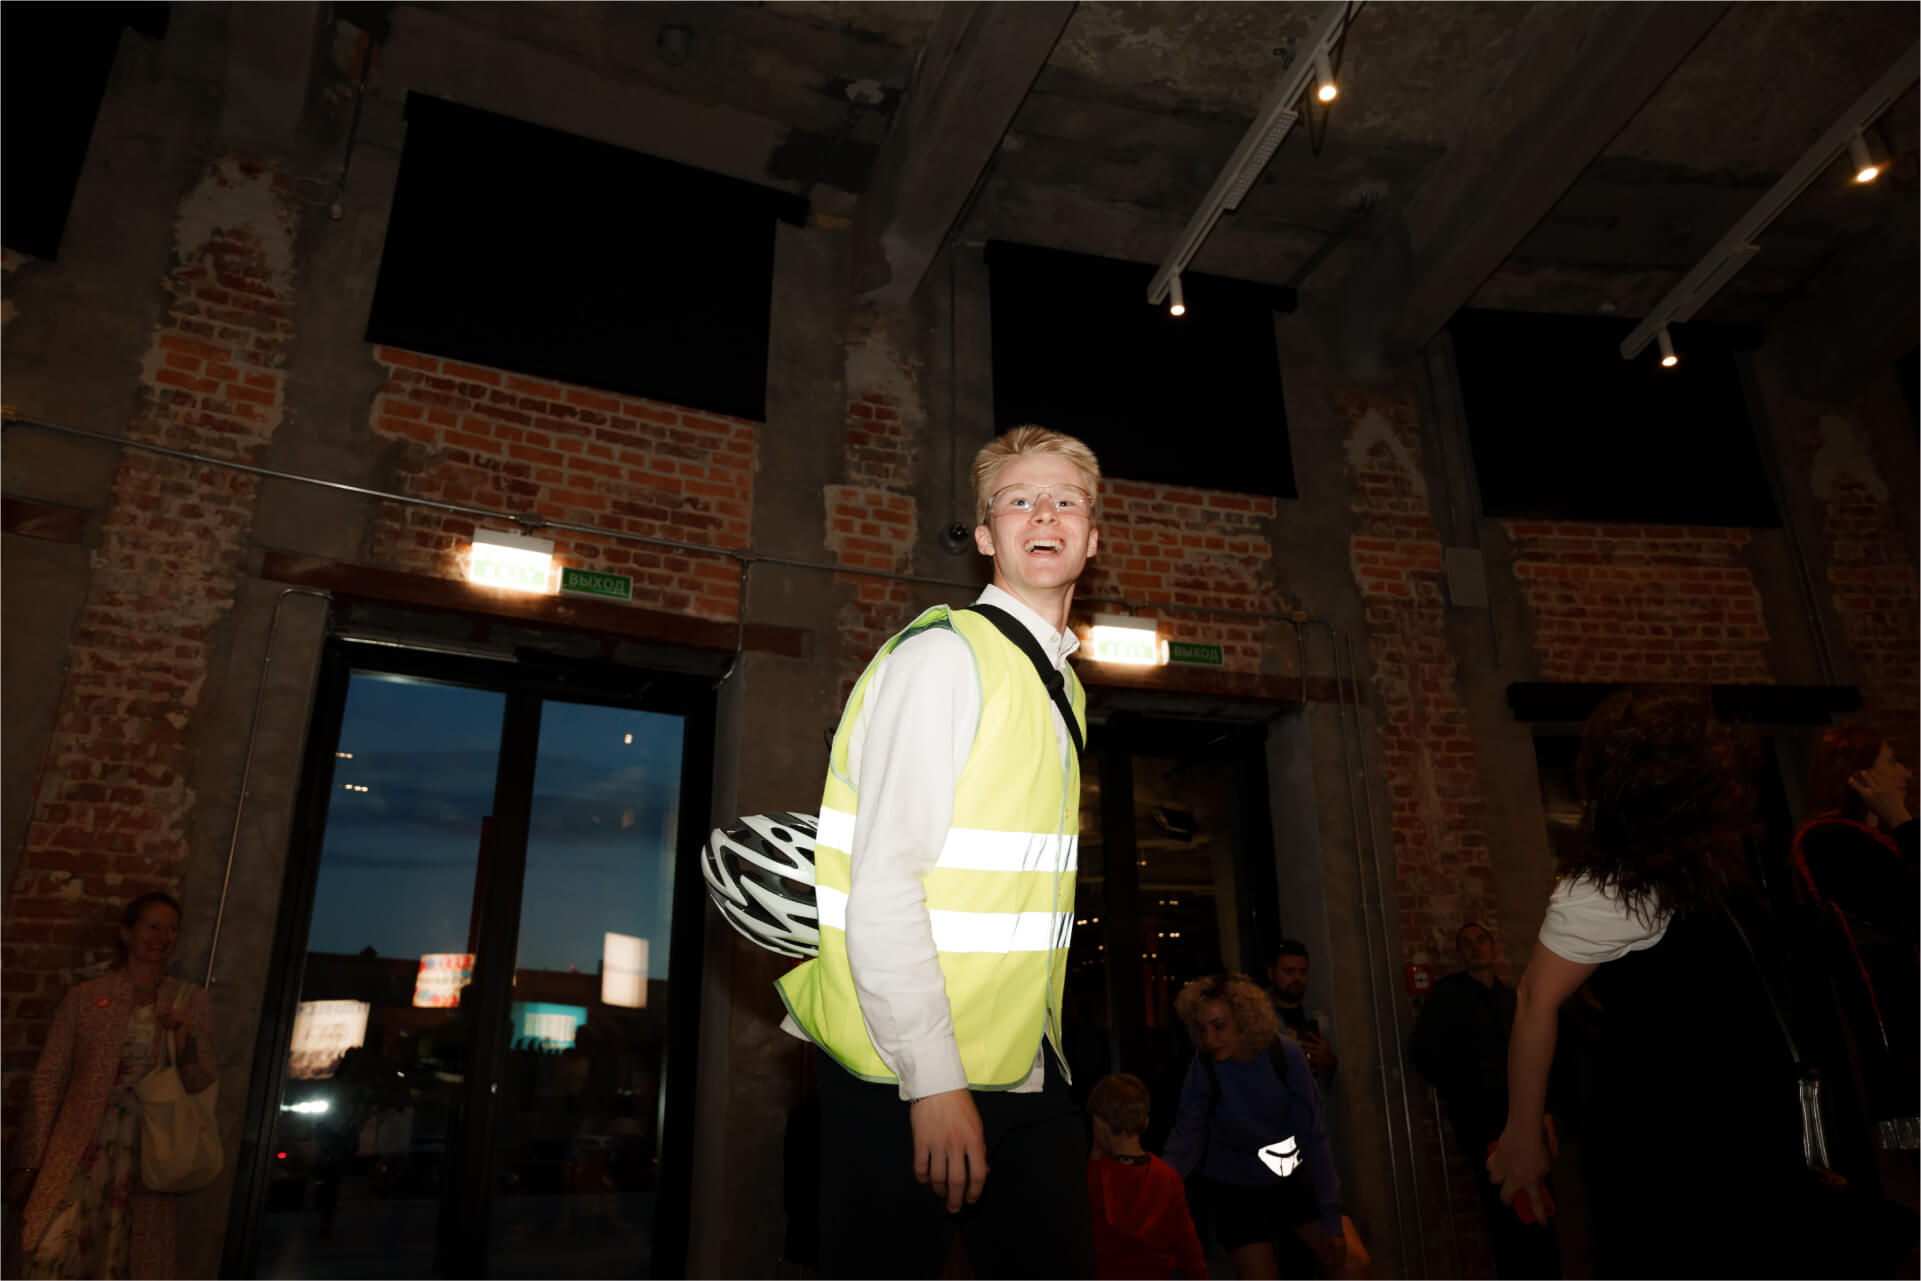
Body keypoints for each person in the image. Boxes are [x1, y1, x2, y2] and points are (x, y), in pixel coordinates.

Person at [776, 426, 1101, 1277]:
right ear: (986, 535)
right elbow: (885, 884)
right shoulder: (946, 658)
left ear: (1092, 536)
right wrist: (932, 1079)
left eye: (1064, 500)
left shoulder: (1059, 683)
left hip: (1023, 1066)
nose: (1043, 513)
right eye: (1018, 500)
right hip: (906, 1072)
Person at [1487, 687, 1897, 1277]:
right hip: (1681, 1146)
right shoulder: (1607, 885)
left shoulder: (1709, 861)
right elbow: (1534, 999)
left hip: (1755, 1129)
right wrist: (1522, 1133)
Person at [5, 892, 216, 1279]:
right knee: (49, 1251)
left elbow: (201, 1083)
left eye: (172, 929)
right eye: (152, 926)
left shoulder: (190, 1001)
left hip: (149, 1145)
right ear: (126, 933)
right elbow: (48, 1080)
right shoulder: (86, 998)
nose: (162, 936)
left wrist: (184, 1044)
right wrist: (29, 1160)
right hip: (80, 1141)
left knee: (129, 1254)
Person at [1163, 973, 1369, 1280]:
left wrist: (1330, 1217)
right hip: (1235, 1186)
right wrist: (1157, 1189)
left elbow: (1313, 1136)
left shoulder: (1285, 1055)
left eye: (1219, 1026)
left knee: (1354, 1264)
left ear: (1245, 1021)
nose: (1210, 1039)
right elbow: (1187, 1136)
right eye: (1202, 1029)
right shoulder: (1204, 1064)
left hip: (1292, 1176)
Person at [1789, 728, 1918, 1177]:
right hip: (1904, 1041)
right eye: (1891, 762)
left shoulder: (1873, 841)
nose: (1906, 773)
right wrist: (1902, 820)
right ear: (1858, 776)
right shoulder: (1830, 839)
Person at [1410, 923, 1560, 1279]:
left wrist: (1545, 1114)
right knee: (1505, 1209)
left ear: (1494, 946)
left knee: (1542, 1205)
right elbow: (1422, 1053)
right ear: (1460, 954)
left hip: (1525, 1115)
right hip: (1482, 1122)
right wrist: (1464, 1089)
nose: (1475, 947)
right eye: (1467, 944)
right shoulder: (1448, 997)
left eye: (1481, 940)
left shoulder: (1512, 999)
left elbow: (1537, 1059)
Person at [1085, 1074, 1207, 1279]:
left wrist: (1093, 1161)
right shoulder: (1167, 1177)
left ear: (1098, 1123)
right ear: (1145, 1122)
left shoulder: (1094, 1176)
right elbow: (1189, 1252)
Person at [1265, 941, 1336, 1090]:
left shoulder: (1318, 1020)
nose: (1297, 978)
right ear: (1271, 973)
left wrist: (1330, 1062)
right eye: (1288, 972)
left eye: (1302, 972)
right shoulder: (1258, 1020)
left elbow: (1330, 1086)